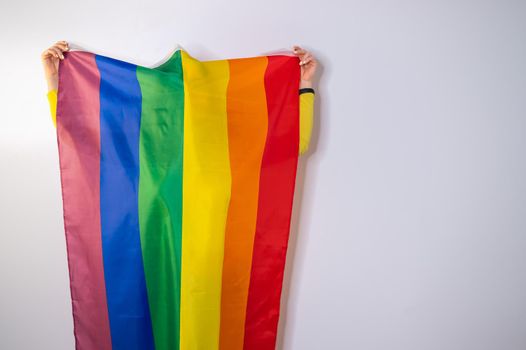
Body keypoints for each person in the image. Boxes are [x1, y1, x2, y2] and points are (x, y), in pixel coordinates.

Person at [42, 41, 317, 155]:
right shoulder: (143, 142)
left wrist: (304, 82)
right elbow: (78, 137)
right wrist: (54, 81)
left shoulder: (221, 142)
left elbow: (293, 144)